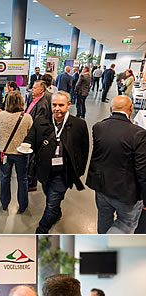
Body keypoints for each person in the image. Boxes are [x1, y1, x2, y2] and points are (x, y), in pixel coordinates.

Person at [23, 91, 89, 233]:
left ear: (69, 105)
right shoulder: (41, 121)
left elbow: (84, 150)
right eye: (54, 105)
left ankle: (41, 230)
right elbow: (31, 138)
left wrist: (79, 170)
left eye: (61, 105)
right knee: (49, 195)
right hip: (45, 170)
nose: (57, 108)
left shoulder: (79, 125)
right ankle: (57, 212)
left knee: (51, 204)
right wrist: (27, 145)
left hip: (64, 173)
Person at [87, 95, 146, 234]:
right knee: (125, 224)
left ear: (110, 109)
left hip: (101, 188)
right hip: (126, 193)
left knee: (103, 218)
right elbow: (142, 170)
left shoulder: (98, 127)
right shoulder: (139, 134)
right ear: (131, 109)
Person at [0, 91, 33, 213]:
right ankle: (23, 205)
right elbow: (31, 134)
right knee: (22, 179)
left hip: (5, 153)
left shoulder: (1, 116)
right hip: (21, 154)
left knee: (5, 178)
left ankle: (4, 203)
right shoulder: (26, 117)